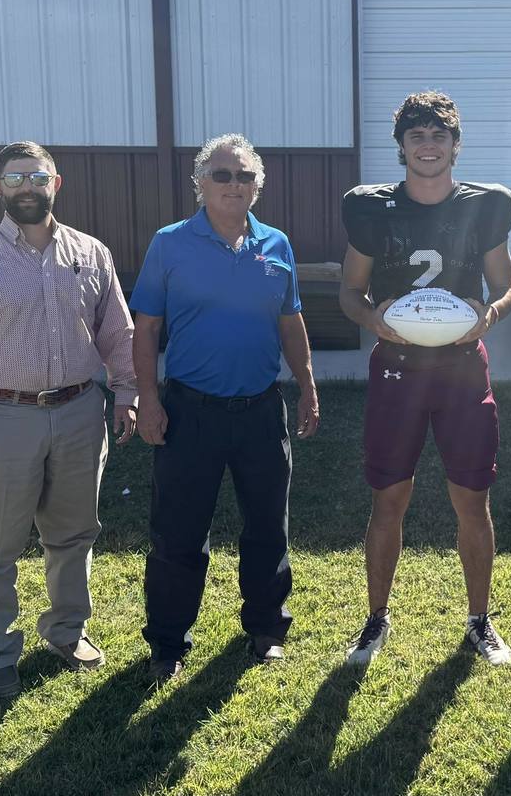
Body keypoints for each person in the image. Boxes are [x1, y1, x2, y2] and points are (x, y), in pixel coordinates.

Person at [0, 142, 136, 698]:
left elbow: (117, 331)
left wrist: (127, 391)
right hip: (2, 416)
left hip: (78, 413)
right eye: (15, 177)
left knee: (73, 533)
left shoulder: (91, 253)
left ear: (55, 184)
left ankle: (67, 630)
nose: (27, 186)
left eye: (37, 176)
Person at [132, 134, 319, 684]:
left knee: (267, 525)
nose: (233, 185)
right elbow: (146, 327)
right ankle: (168, 641)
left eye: (244, 176)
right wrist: (147, 397)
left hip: (261, 411)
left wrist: (306, 384)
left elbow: (291, 321)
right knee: (179, 531)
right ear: (200, 184)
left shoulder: (277, 245)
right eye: (221, 175)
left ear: (258, 185)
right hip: (190, 411)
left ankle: (265, 628)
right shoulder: (169, 244)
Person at [338, 90, 511, 666]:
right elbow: (349, 290)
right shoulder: (372, 208)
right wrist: (374, 321)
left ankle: (479, 620)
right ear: (401, 148)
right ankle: (375, 619)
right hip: (397, 368)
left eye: (439, 135)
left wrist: (486, 317)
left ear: (455, 145)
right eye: (417, 136)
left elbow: (508, 290)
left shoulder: (485, 206)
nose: (429, 145)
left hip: (463, 369)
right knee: (388, 498)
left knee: (472, 499)